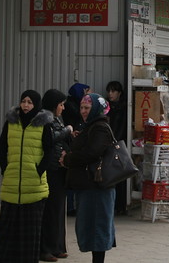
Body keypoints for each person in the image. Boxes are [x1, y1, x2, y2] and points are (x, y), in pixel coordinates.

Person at [0, 90, 53, 263]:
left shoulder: (44, 125)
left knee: (30, 231)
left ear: (36, 105)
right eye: (23, 101)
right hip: (12, 184)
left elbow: (49, 151)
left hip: (34, 185)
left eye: (30, 102)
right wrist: (5, 168)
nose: (26, 105)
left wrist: (38, 171)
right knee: (7, 228)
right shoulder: (11, 123)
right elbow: (2, 147)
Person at [61, 93, 116, 262]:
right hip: (90, 186)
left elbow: (92, 153)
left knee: (97, 227)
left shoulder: (99, 127)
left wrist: (68, 159)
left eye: (87, 108)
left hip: (97, 187)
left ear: (96, 110)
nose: (83, 111)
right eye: (82, 108)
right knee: (92, 226)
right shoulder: (90, 126)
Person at [39, 89, 74, 262]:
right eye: (61, 105)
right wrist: (67, 131)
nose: (63, 108)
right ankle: (46, 248)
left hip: (59, 170)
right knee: (50, 211)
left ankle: (58, 246)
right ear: (54, 105)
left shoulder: (56, 119)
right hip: (50, 170)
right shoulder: (44, 119)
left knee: (59, 210)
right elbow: (50, 138)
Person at [62, 82, 89, 216]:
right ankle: (71, 206)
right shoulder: (72, 106)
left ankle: (71, 206)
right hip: (71, 144)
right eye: (85, 92)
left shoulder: (71, 104)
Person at [105, 81, 128, 215]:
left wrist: (115, 142)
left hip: (118, 143)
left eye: (113, 91)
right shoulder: (108, 107)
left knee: (120, 175)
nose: (110, 94)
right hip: (110, 143)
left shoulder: (123, 108)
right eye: (109, 91)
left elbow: (121, 128)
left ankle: (121, 205)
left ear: (119, 93)